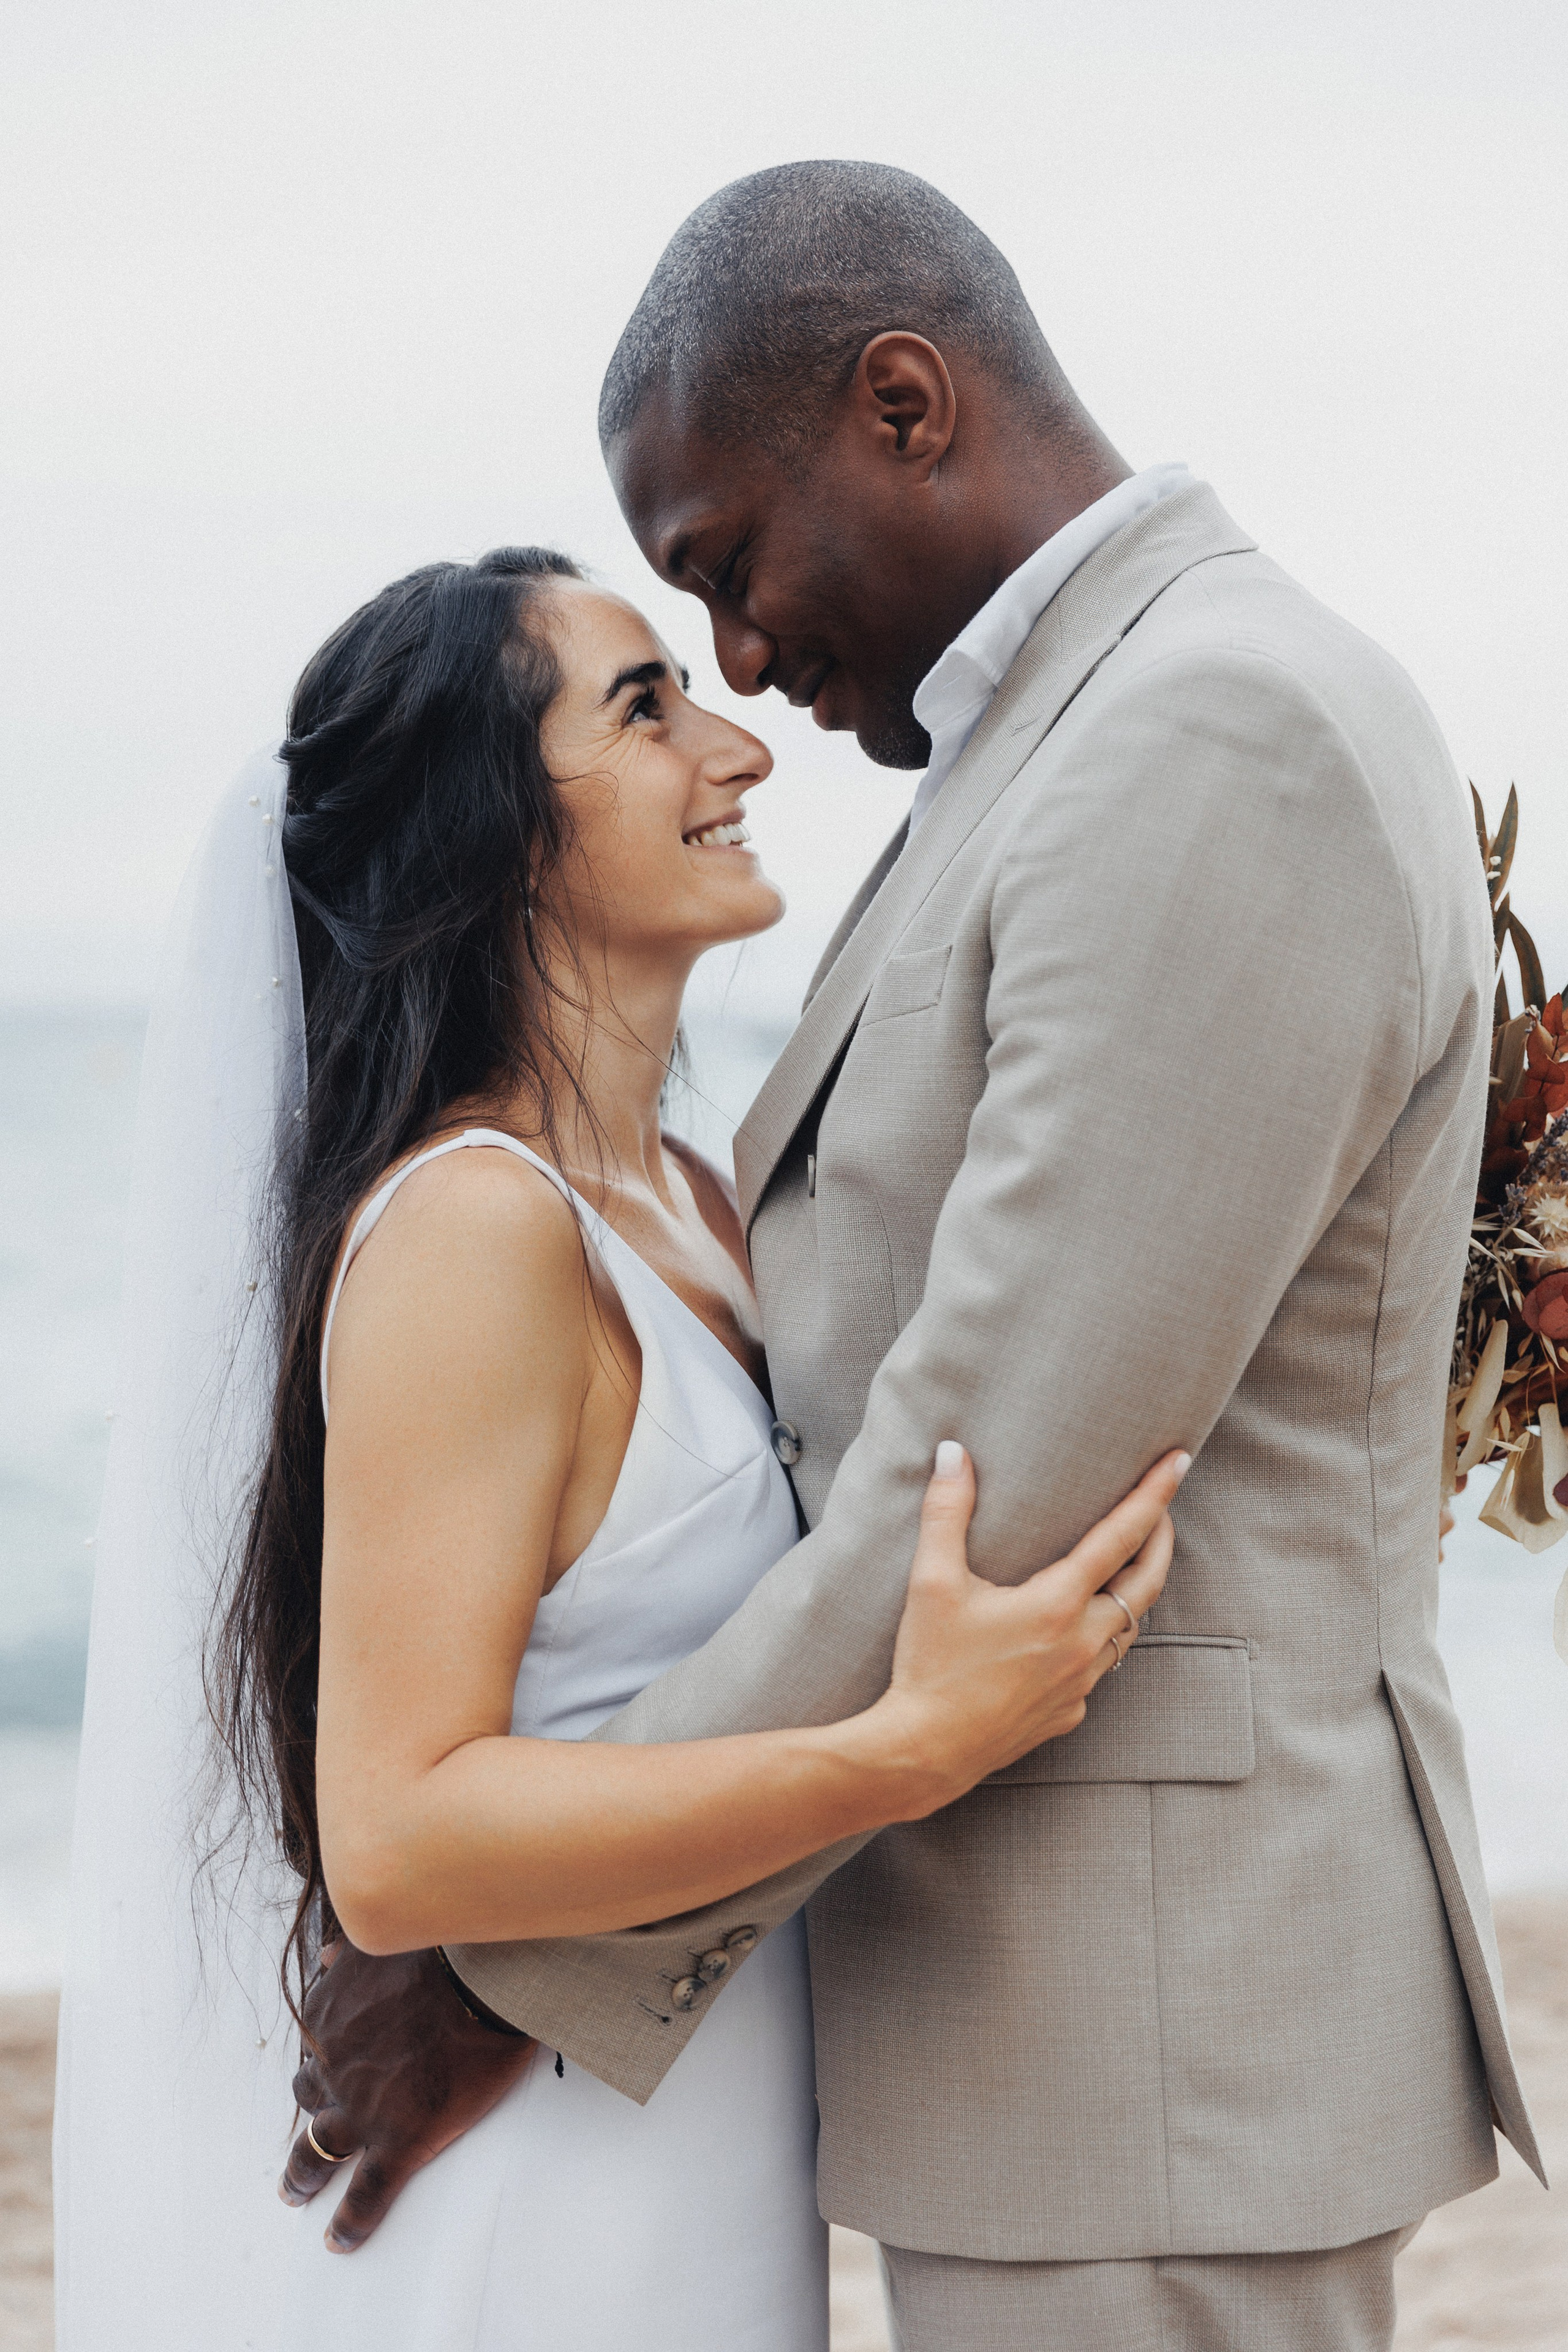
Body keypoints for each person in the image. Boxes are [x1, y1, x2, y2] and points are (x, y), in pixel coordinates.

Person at [282, 165, 1541, 2352]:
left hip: (1146, 2040)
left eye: (727, 570)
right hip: (1068, 2036)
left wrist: (520, 1967)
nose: (748, 668)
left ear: (900, 402)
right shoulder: (1075, 738)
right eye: (674, 649)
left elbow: (990, 1468)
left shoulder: (1200, 733)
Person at [53, 541, 1181, 2351]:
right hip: (548, 2201)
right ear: (492, 829)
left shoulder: (694, 1202)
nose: (735, 751)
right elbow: (403, 1837)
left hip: (698, 2117)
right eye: (646, 708)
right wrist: (902, 1752)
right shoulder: (477, 1231)